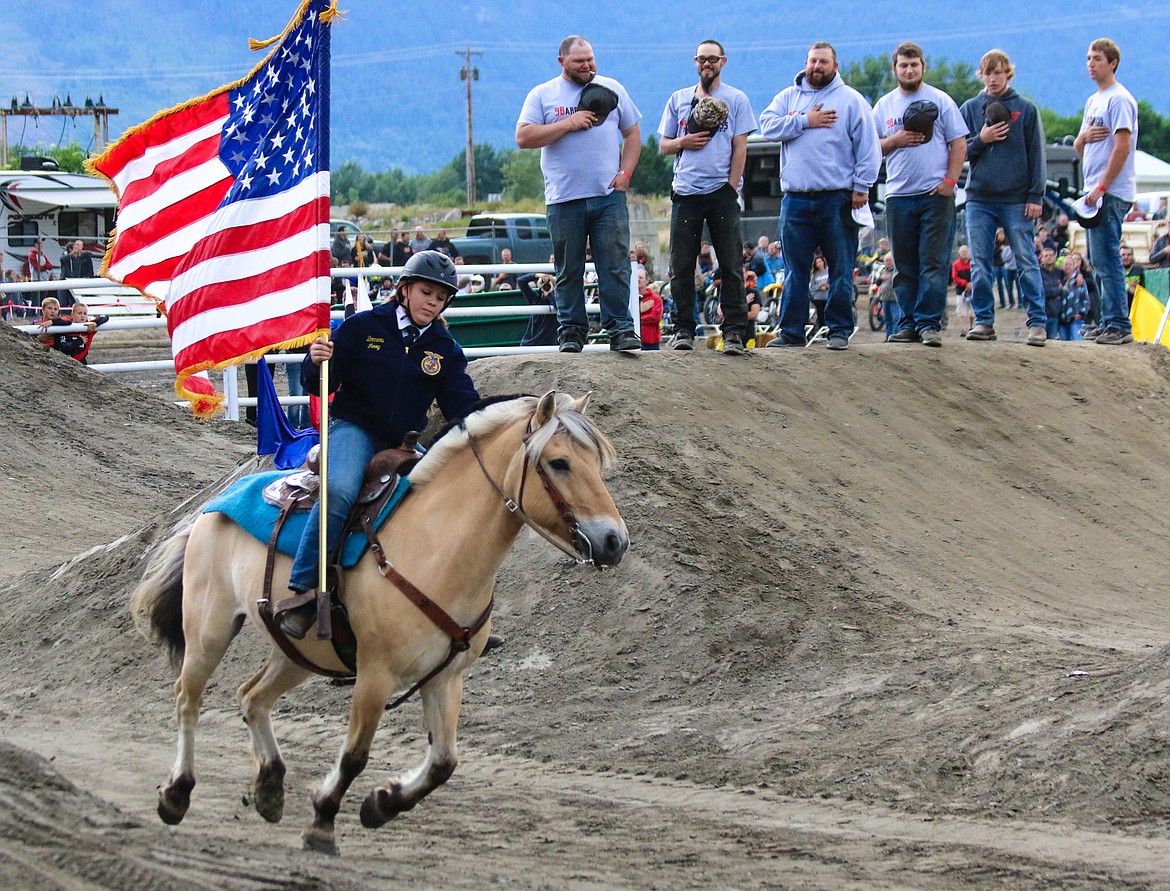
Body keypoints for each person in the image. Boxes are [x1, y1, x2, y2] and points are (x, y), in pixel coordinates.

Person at [280, 251, 481, 639]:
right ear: (404, 289)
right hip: (353, 428)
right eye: (426, 292)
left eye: (441, 298)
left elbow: (461, 405)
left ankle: (454, 609)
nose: (433, 302)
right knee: (338, 490)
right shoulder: (361, 328)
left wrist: (484, 424)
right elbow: (319, 383)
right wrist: (315, 360)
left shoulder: (445, 349)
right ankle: (304, 591)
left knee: (443, 501)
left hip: (403, 443)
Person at [517, 35, 643, 353]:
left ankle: (621, 329)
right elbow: (524, 136)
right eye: (579, 61)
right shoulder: (542, 94)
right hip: (563, 197)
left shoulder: (612, 88)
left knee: (615, 264)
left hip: (607, 195)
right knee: (568, 268)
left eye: (590, 59)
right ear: (562, 62)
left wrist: (625, 173)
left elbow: (632, 133)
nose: (587, 66)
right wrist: (568, 123)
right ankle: (571, 331)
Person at [759, 41, 881, 352]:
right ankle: (791, 332)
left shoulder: (851, 101)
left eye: (824, 62)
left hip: (836, 197)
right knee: (795, 269)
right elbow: (768, 126)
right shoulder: (788, 97)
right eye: (813, 61)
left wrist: (861, 187)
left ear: (835, 66)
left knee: (840, 267)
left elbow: (869, 149)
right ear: (806, 63)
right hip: (796, 198)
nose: (817, 67)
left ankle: (839, 329)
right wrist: (804, 121)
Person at [656, 39, 756, 355]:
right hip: (686, 191)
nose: (707, 64)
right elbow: (663, 145)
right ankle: (684, 328)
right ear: (695, 62)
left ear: (723, 61)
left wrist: (732, 186)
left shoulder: (737, 99)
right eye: (701, 59)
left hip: (721, 193)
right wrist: (683, 141)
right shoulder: (678, 99)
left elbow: (741, 147)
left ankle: (734, 333)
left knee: (730, 263)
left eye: (712, 58)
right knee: (681, 265)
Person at [873, 42, 968, 347]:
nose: (909, 70)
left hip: (935, 195)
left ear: (922, 67)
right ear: (895, 69)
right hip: (899, 195)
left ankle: (929, 324)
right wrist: (895, 140)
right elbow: (871, 148)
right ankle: (907, 323)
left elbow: (959, 143)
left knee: (933, 262)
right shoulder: (884, 105)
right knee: (904, 264)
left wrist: (950, 182)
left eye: (914, 65)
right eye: (903, 65)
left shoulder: (941, 100)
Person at [959, 49, 1048, 347]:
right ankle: (984, 321)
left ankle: (1037, 322)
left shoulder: (1026, 108)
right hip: (979, 196)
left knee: (1025, 259)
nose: (993, 78)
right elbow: (958, 154)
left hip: (1017, 197)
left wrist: (1036, 195)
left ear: (1008, 74)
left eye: (998, 72)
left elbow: (1037, 154)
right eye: (988, 72)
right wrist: (980, 140)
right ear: (981, 75)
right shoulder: (971, 108)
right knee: (980, 261)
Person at [1074, 38, 1139, 345]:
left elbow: (1123, 147)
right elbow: (1078, 146)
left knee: (1108, 258)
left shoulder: (1119, 99)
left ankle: (1118, 324)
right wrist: (1083, 136)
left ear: (1112, 63)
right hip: (1093, 191)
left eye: (1097, 58)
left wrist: (1102, 186)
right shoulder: (1093, 101)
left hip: (1109, 191)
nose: (1090, 63)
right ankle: (1105, 320)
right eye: (1088, 58)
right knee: (1097, 259)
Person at [1057, 255, 1090, 341]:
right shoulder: (1059, 280)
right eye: (1066, 264)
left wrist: (1081, 313)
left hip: (1075, 319)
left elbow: (1086, 299)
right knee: (1063, 344)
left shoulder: (1079, 280)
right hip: (1061, 319)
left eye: (1070, 264)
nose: (1068, 266)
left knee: (1077, 342)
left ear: (1074, 265)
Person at [872, 252, 901, 339]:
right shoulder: (882, 271)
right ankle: (888, 336)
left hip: (894, 299)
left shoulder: (896, 270)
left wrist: (891, 278)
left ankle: (895, 335)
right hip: (884, 298)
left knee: (895, 319)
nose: (888, 262)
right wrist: (880, 278)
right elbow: (877, 283)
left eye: (889, 260)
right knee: (887, 319)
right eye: (886, 260)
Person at [59, 240, 95, 308]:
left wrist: (81, 252)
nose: (76, 248)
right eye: (75, 246)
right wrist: (71, 254)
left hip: (76, 279)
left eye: (78, 246)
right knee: (64, 299)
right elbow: (62, 259)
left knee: (75, 299)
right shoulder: (66, 256)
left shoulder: (80, 257)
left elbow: (89, 255)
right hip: (66, 280)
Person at [1038, 247, 1063, 340]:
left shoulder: (1059, 272)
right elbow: (1043, 291)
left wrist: (1079, 275)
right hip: (1042, 313)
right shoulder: (1038, 272)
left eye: (1051, 255)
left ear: (1055, 257)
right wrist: (1059, 290)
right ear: (1041, 258)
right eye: (1046, 255)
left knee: (1051, 342)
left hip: (1055, 313)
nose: (1048, 257)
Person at [637, 267, 663, 350]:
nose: (638, 280)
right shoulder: (629, 298)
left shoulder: (655, 298)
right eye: (636, 277)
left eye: (641, 277)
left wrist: (637, 318)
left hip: (651, 341)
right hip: (634, 340)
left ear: (647, 281)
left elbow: (655, 318)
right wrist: (640, 310)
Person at [951, 244, 973, 334]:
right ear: (959, 254)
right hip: (961, 290)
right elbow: (954, 277)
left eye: (966, 251)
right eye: (962, 252)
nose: (964, 253)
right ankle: (963, 328)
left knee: (972, 310)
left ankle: (971, 327)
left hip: (972, 289)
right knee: (961, 310)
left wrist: (971, 284)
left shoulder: (972, 263)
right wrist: (965, 283)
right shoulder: (956, 264)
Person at [27, 238, 53, 307]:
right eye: (39, 243)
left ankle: (42, 314)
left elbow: (50, 266)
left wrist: (43, 265)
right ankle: (32, 315)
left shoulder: (43, 255)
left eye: (42, 243)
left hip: (44, 280)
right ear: (35, 244)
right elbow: (37, 267)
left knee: (43, 300)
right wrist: (44, 266)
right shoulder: (32, 255)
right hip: (36, 280)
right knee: (35, 300)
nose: (41, 245)